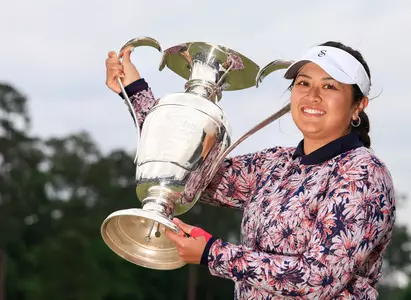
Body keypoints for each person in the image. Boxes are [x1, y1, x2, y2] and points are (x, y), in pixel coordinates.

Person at [105, 41, 396, 299]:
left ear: (358, 105)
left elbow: (318, 279)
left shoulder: (363, 174)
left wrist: (212, 253)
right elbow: (191, 171)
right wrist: (133, 90)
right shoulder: (275, 165)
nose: (313, 95)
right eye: (304, 83)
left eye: (330, 86)